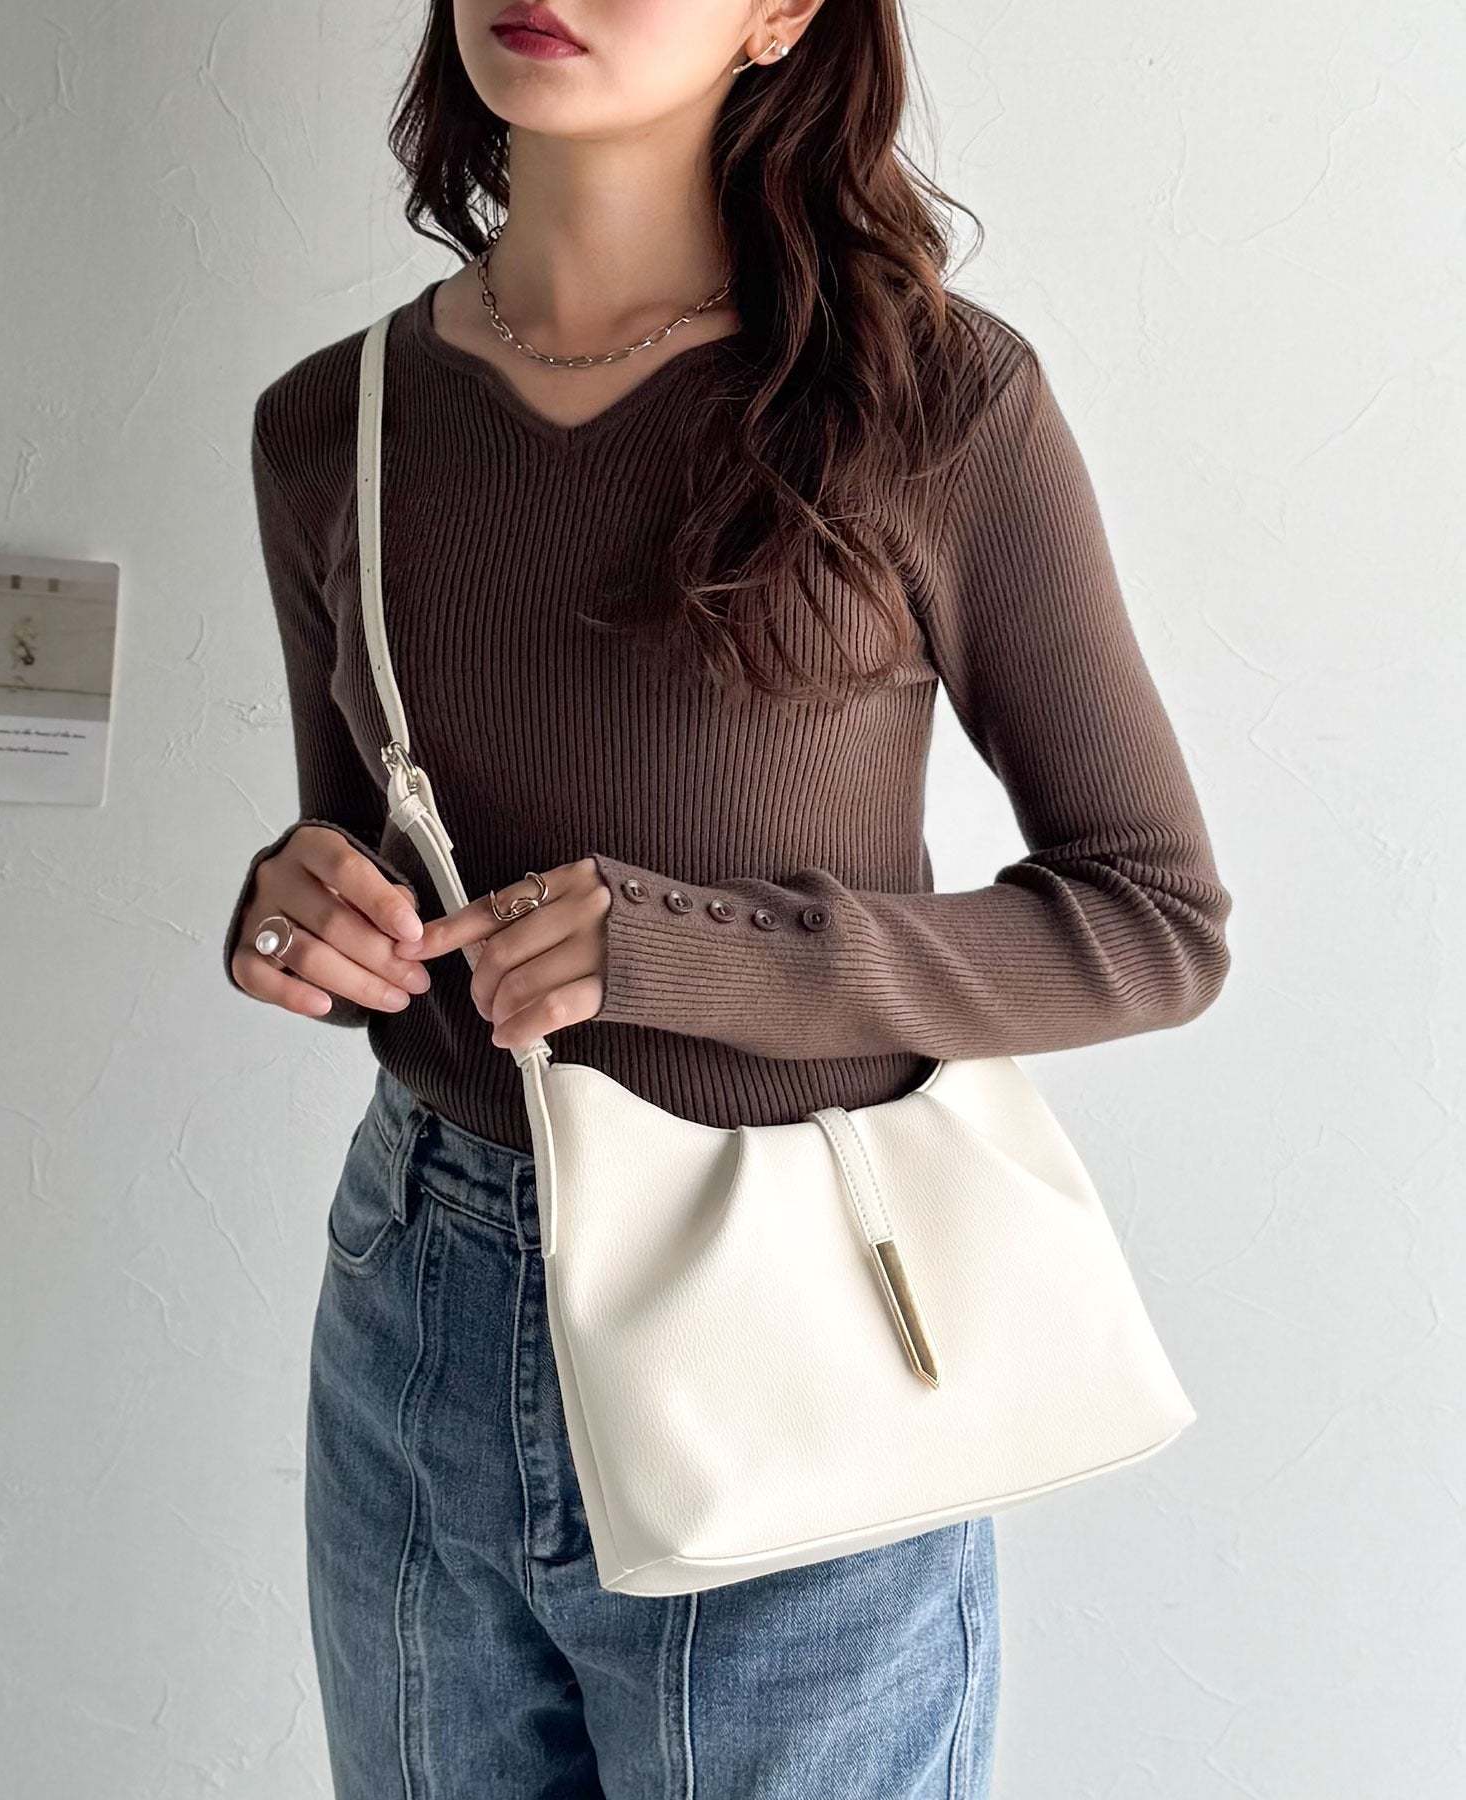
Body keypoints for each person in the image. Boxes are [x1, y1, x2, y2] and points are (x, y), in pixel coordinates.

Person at [222, 2, 1233, 1793]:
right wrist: (302, 911)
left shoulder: (931, 402)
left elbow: (1153, 920)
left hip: (799, 1337)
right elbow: (369, 846)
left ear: (782, 15)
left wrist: (697, 957)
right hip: (420, 1302)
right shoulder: (333, 425)